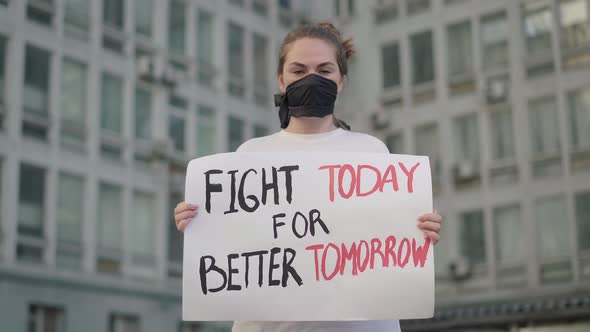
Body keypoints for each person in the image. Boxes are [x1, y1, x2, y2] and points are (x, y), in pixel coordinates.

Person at [174, 22, 442, 332]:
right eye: (298, 70)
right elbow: (235, 243)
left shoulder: (372, 152)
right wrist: (199, 225)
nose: (311, 79)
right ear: (281, 79)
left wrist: (420, 229)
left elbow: (386, 243)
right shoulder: (249, 156)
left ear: (341, 80)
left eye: (325, 70)